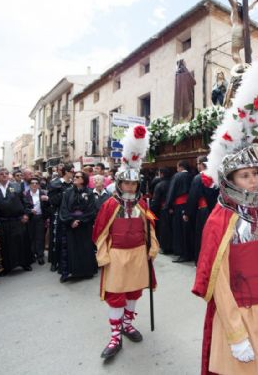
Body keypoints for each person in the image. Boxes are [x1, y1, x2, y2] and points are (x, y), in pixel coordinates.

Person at [192, 47, 258, 374]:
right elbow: (218, 282)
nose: (252, 182)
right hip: (239, 315)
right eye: (245, 175)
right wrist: (235, 332)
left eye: (255, 174)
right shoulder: (220, 219)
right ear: (230, 179)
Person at [92, 125, 158, 359]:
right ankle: (115, 336)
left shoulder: (143, 205)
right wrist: (103, 254)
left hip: (138, 253)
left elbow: (150, 227)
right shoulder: (110, 205)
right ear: (119, 184)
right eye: (126, 184)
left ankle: (128, 325)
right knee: (116, 294)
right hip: (117, 255)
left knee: (134, 292)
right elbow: (100, 232)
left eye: (133, 184)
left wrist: (153, 247)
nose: (130, 187)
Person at [0, 168, 32, 276]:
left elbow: (25, 202)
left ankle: (25, 263)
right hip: (3, 222)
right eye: (1, 174)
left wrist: (26, 214)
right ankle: (6, 267)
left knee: (21, 242)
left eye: (6, 174)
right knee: (5, 245)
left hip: (18, 220)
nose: (4, 176)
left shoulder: (16, 187)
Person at [59, 171, 97, 283]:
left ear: (83, 179)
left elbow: (91, 210)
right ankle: (69, 272)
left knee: (85, 249)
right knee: (71, 249)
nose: (74, 178)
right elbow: (64, 209)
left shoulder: (89, 193)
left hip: (84, 226)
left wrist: (80, 221)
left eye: (77, 177)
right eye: (74, 176)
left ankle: (86, 271)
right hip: (71, 226)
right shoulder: (67, 193)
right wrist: (71, 221)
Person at [184, 156, 218, 264]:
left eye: (198, 163)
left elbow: (192, 197)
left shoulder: (199, 178)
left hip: (203, 211)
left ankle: (202, 261)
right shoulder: (216, 176)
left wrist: (187, 213)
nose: (197, 166)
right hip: (216, 211)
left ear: (202, 164)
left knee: (201, 236)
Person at [47, 163, 74, 272]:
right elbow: (52, 200)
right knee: (55, 238)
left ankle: (67, 262)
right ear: (66, 172)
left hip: (70, 214)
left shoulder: (73, 184)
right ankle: (54, 262)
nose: (73, 173)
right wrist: (64, 194)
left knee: (68, 238)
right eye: (72, 171)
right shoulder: (55, 184)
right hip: (57, 214)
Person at [165, 159, 193, 263]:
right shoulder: (192, 176)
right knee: (188, 230)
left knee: (180, 231)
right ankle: (189, 253)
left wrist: (168, 206)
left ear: (180, 167)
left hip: (179, 206)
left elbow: (171, 192)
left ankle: (183, 254)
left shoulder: (177, 176)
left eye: (177, 167)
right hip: (189, 206)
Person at [26, 177, 49, 265]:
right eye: (32, 183)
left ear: (39, 185)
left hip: (40, 218)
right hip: (30, 218)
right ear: (29, 185)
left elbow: (48, 205)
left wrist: (47, 199)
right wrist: (29, 211)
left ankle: (40, 255)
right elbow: (24, 206)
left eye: (36, 183)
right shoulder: (26, 194)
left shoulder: (43, 193)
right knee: (31, 237)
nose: (34, 185)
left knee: (40, 237)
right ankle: (32, 255)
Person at [150, 167, 173, 254]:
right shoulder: (172, 182)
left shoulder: (159, 185)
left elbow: (156, 200)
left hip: (162, 209)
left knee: (164, 229)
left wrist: (152, 211)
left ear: (161, 174)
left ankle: (165, 247)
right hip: (172, 209)